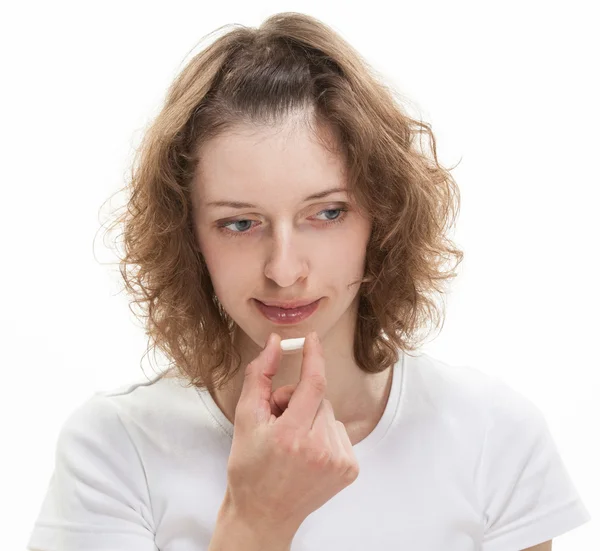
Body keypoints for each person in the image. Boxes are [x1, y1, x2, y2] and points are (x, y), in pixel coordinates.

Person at [27, 12, 591, 551]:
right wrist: (256, 519)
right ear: (190, 237)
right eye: (239, 223)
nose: (284, 269)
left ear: (383, 215)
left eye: (326, 214)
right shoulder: (115, 448)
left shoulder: (493, 435)